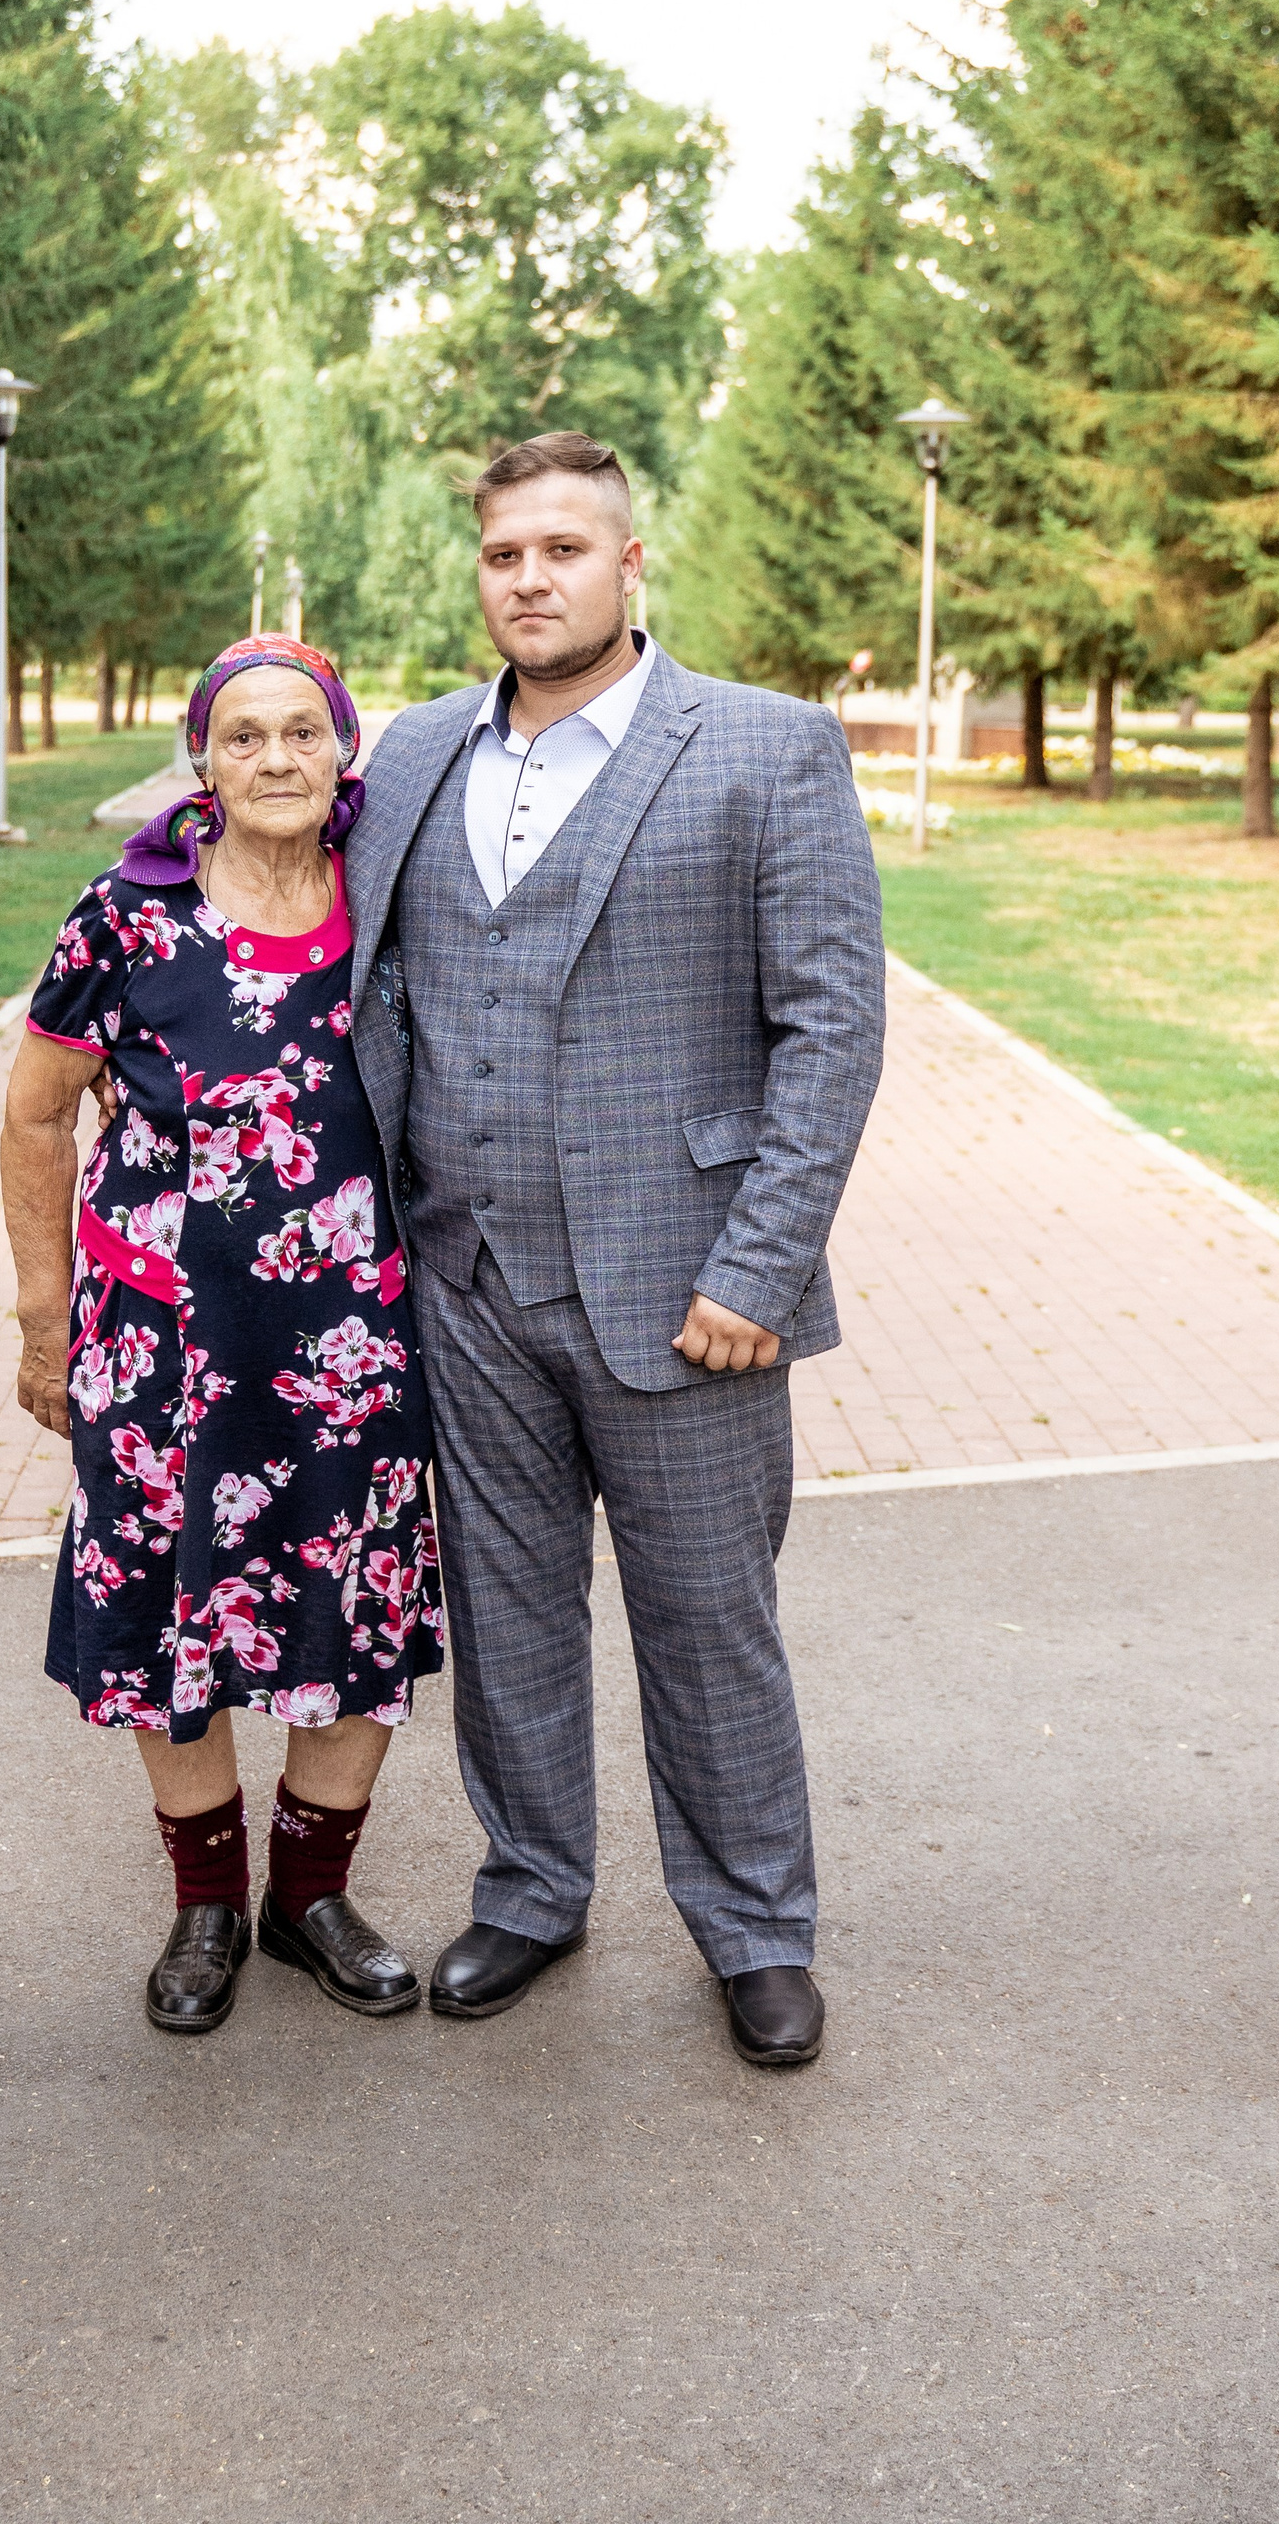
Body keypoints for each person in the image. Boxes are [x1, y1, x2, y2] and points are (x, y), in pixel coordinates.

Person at [344, 432, 885, 2068]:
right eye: (505, 553)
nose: (531, 579)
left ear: (629, 563)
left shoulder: (767, 748)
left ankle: (757, 1931)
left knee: (709, 1627)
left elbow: (831, 1030)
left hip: (685, 1291)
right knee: (507, 1616)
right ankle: (531, 1888)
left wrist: (759, 1269)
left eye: (564, 550)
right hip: (464, 1280)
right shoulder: (416, 753)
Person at [1, 638, 444, 2037]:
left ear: (343, 751)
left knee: (353, 1598)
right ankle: (206, 1909)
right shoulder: (127, 919)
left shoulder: (389, 900)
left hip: (352, 1343)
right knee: (165, 1606)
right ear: (203, 759)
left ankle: (309, 1899)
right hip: (163, 1347)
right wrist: (44, 1317)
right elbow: (36, 1113)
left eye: (302, 732)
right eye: (242, 735)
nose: (274, 758)